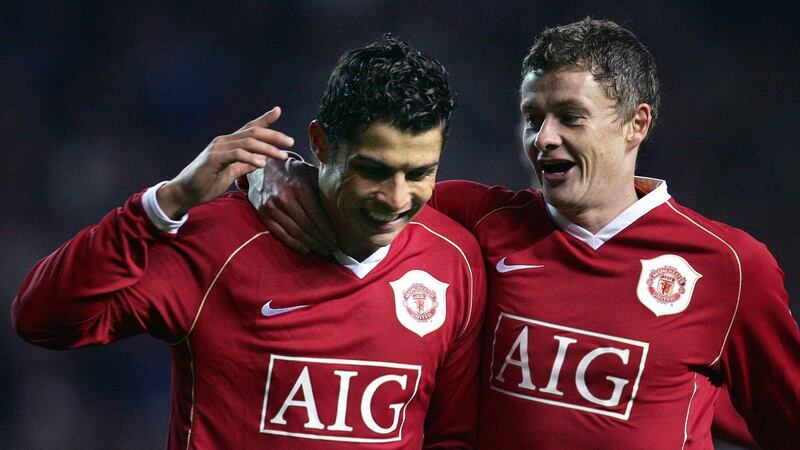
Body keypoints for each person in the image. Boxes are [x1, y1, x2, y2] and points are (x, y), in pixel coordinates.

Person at [247, 18, 800, 449]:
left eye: (570, 116)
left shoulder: (728, 266)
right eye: (533, 117)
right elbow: (360, 189)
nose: (544, 138)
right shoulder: (483, 222)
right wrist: (271, 173)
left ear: (637, 123)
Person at [12, 35, 487, 449]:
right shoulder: (220, 245)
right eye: (374, 170)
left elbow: (452, 435)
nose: (396, 198)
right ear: (320, 145)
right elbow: (44, 319)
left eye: (420, 173)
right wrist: (167, 201)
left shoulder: (455, 260)